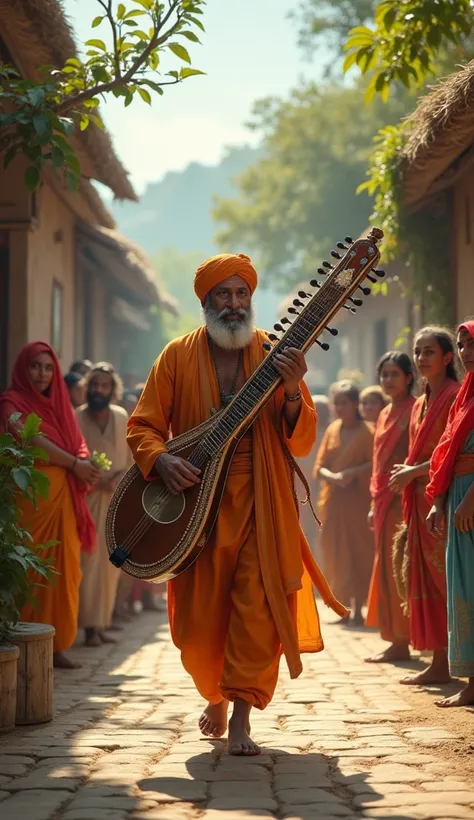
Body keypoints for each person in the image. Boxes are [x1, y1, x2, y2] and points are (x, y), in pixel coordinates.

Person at [127, 252, 348, 756]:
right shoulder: (175, 356)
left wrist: (292, 390)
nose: (233, 303)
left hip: (260, 501)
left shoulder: (274, 353)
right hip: (195, 503)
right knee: (199, 623)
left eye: (241, 293)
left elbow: (301, 438)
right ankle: (216, 695)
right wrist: (160, 461)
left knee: (258, 605)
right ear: (205, 301)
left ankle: (242, 714)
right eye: (222, 294)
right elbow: (142, 425)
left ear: (252, 299)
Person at [0, 342, 99, 668]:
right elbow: (29, 439)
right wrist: (74, 463)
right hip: (30, 501)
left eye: (48, 367)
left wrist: (84, 460)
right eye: (35, 366)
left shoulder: (61, 405)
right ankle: (22, 640)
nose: (42, 374)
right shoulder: (11, 402)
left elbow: (77, 439)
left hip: (63, 503)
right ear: (22, 369)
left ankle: (56, 645)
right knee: (28, 570)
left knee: (63, 570)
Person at [390, 328, 460, 686]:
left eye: (429, 351)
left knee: (446, 579)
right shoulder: (420, 402)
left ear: (448, 358)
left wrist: (413, 471)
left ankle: (454, 661)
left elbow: (453, 449)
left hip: (444, 497)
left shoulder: (454, 396)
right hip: (418, 501)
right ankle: (438, 661)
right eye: (417, 352)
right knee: (427, 581)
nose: (421, 359)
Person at [427, 320, 474, 707]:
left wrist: (469, 499)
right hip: (457, 494)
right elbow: (447, 450)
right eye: (461, 345)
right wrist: (438, 500)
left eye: (470, 344)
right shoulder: (465, 397)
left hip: (471, 499)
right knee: (461, 585)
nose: (465, 352)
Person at [365, 351, 416, 663]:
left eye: (395, 374)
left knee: (401, 569)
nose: (388, 380)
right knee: (385, 568)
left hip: (406, 497)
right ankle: (396, 639)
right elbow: (377, 461)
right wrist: (374, 501)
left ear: (409, 378)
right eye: (384, 374)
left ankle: (406, 638)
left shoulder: (415, 409)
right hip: (383, 499)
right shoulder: (384, 413)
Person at [77, 363, 132, 647]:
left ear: (112, 390)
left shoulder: (122, 417)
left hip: (115, 500)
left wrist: (116, 480)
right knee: (88, 564)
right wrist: (91, 481)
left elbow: (132, 459)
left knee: (111, 564)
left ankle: (100, 624)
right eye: (94, 385)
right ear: (87, 388)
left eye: (104, 385)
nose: (99, 390)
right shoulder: (75, 418)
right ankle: (87, 628)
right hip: (84, 501)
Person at [313, 381, 374, 625]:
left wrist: (352, 473)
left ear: (354, 404)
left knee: (360, 552)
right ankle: (344, 607)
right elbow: (319, 468)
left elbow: (375, 463)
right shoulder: (332, 430)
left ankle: (360, 608)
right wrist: (334, 477)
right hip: (334, 502)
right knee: (335, 552)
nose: (339, 408)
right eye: (336, 403)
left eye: (344, 403)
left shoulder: (368, 431)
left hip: (358, 501)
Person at [298, 394, 330, 553]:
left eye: (324, 410)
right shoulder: (303, 433)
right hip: (303, 490)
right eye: (317, 409)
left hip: (323, 490)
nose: (321, 413)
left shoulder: (331, 433)